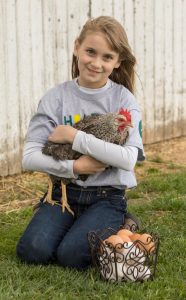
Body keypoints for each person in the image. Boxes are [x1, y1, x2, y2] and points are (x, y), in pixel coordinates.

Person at [16, 16, 145, 270]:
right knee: (33, 250)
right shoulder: (55, 98)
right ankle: (70, 222)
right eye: (90, 52)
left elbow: (129, 159)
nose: (96, 63)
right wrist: (75, 168)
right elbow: (29, 157)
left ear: (117, 61)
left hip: (107, 195)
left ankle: (119, 220)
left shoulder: (123, 99)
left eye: (107, 57)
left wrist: (76, 137)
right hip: (63, 192)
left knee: (72, 256)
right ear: (77, 48)